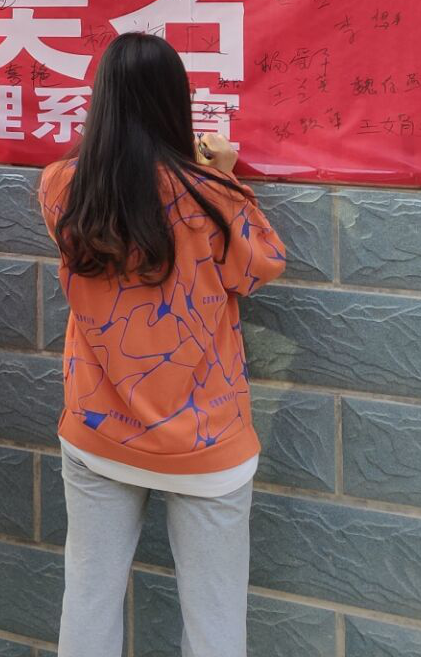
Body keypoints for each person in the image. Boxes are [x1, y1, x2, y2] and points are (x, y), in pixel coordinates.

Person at [41, 32, 286, 657]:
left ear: (102, 99)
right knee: (215, 619)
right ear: (177, 102)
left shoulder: (63, 186)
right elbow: (260, 266)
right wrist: (223, 174)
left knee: (88, 600)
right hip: (208, 442)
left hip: (97, 431)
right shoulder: (213, 195)